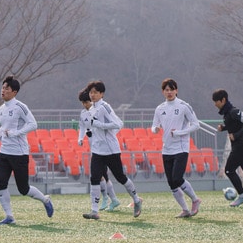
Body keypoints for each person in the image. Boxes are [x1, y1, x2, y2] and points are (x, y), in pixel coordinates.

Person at [0, 76, 55, 225]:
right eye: (3, 88)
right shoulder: (1, 109)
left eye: (7, 88)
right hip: (4, 152)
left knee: (23, 189)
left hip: (19, 153)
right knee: (1, 183)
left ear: (14, 92)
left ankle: (45, 199)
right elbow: (4, 127)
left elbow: (33, 124)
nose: (3, 90)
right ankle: (9, 216)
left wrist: (16, 133)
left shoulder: (20, 106)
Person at [81, 81, 143, 219]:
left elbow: (118, 123)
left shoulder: (105, 107)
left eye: (96, 92)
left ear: (102, 94)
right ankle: (94, 211)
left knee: (120, 177)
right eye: (91, 92)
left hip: (111, 150)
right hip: (97, 151)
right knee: (94, 178)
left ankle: (137, 200)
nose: (93, 95)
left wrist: (99, 125)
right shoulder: (90, 110)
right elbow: (90, 126)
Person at [153, 78, 203, 217]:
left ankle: (195, 199)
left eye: (172, 89)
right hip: (166, 148)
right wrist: (155, 129)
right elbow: (154, 125)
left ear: (176, 90)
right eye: (166, 90)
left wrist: (180, 132)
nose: (169, 92)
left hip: (181, 148)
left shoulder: (183, 106)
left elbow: (196, 124)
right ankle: (185, 209)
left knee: (177, 178)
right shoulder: (159, 108)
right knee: (171, 183)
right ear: (163, 92)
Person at [77, 89, 120, 210]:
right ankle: (112, 199)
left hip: (103, 148)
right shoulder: (83, 114)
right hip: (94, 148)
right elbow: (82, 127)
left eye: (87, 102)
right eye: (83, 102)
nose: (85, 104)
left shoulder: (98, 111)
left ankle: (108, 199)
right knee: (102, 176)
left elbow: (111, 125)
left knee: (102, 175)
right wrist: (81, 138)